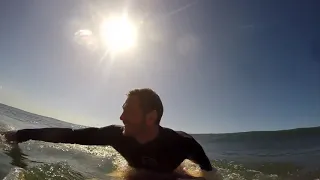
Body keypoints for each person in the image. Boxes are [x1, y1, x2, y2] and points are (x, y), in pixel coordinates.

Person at [2, 88, 222, 180]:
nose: (121, 117)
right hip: (134, 172)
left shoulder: (183, 144)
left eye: (128, 110)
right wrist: (22, 134)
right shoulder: (116, 136)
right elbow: (70, 135)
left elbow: (210, 175)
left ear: (150, 117)